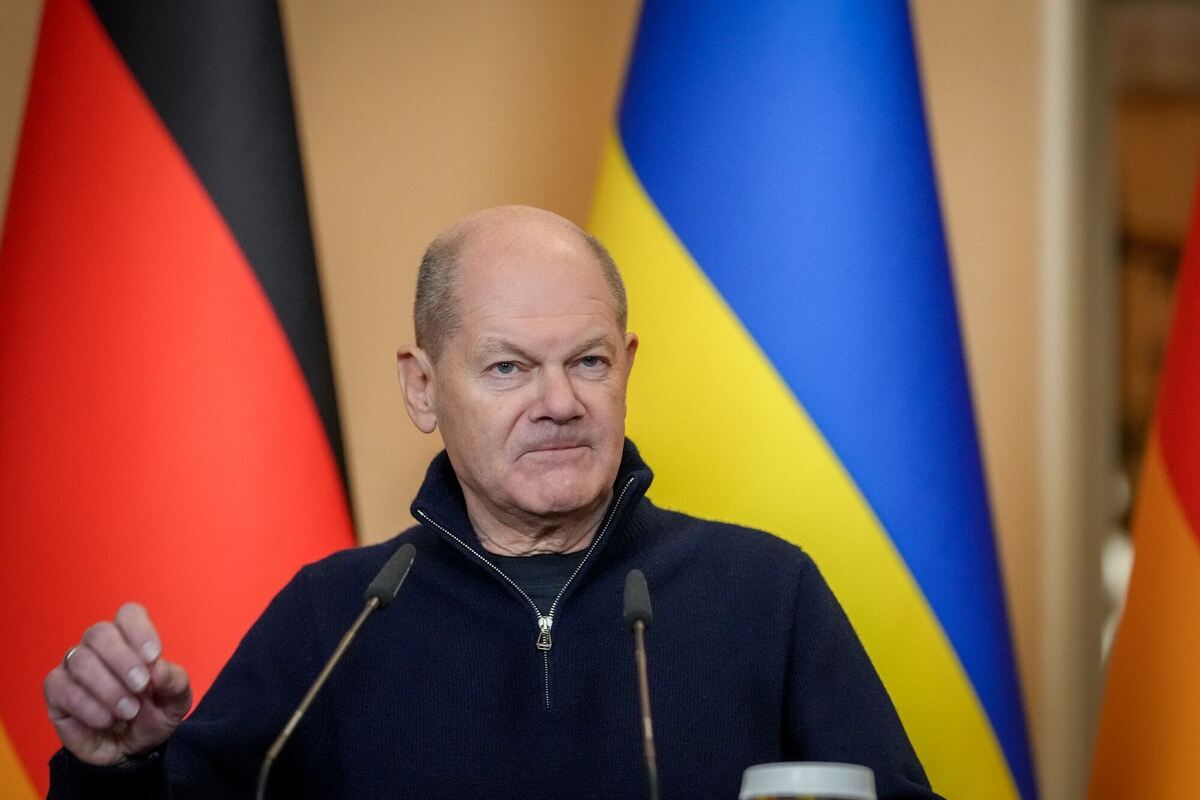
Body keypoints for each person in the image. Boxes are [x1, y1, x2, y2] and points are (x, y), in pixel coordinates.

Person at [43, 206, 942, 799]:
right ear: (423, 387)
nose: (559, 402)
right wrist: (122, 770)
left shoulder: (768, 595)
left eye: (588, 361)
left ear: (627, 366)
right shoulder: (334, 618)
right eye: (509, 367)